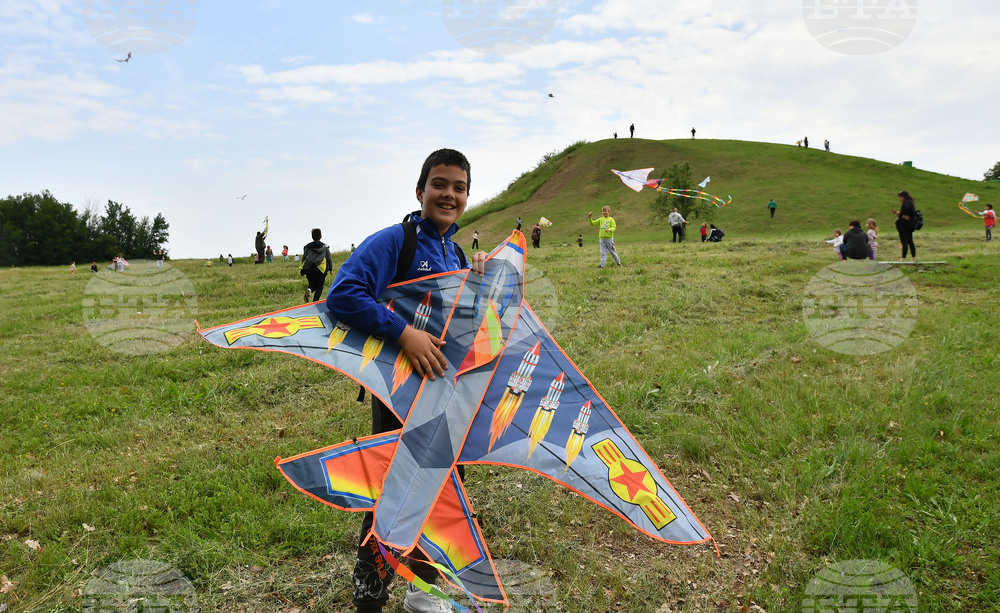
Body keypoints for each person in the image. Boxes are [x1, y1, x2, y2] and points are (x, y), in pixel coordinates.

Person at [326, 149, 486, 613]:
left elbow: (460, 324)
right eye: (440, 184)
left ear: (467, 197)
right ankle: (369, 598)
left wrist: (476, 284)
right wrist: (404, 334)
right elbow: (343, 294)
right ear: (420, 192)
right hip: (398, 391)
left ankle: (424, 591)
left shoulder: (454, 250)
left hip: (445, 392)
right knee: (393, 492)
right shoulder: (396, 242)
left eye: (459, 188)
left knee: (440, 487)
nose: (449, 194)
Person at [300, 228, 334, 303]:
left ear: (312, 237)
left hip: (309, 269)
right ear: (321, 236)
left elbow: (304, 259)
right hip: (320, 270)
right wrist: (331, 269)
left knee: (312, 284)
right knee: (320, 287)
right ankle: (315, 302)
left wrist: (303, 269)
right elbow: (329, 259)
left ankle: (310, 289)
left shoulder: (307, 247)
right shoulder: (325, 247)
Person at [891, 190, 918, 259]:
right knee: (910, 241)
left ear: (904, 197)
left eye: (900, 197)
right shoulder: (911, 203)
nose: (899, 199)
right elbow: (910, 214)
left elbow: (902, 215)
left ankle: (903, 257)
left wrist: (898, 213)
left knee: (904, 242)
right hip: (910, 225)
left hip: (903, 225)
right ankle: (913, 257)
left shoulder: (905, 204)